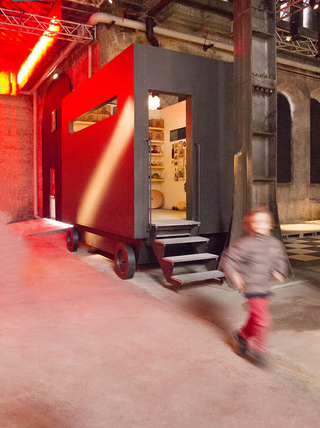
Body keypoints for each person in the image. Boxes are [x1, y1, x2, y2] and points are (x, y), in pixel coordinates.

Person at [220, 206, 289, 367]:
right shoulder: (246, 244)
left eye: (264, 221)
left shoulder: (275, 243)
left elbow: (280, 260)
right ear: (250, 224)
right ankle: (259, 349)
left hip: (265, 287)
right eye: (255, 221)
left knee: (256, 318)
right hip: (251, 287)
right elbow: (228, 258)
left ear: (270, 224)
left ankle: (242, 335)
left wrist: (279, 271)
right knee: (264, 319)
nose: (260, 224)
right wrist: (235, 275)